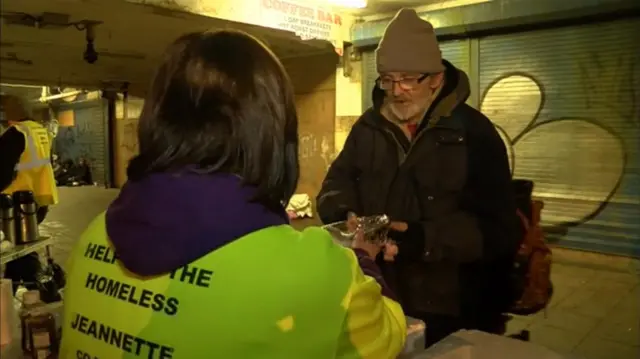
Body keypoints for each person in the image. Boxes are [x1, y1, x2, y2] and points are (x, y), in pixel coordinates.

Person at [59, 30, 407, 359]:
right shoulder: (315, 272)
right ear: (274, 134)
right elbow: (388, 335)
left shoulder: (94, 236)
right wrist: (363, 259)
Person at [317, 8, 522, 348]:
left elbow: (496, 231)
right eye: (387, 78)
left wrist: (421, 239)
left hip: (449, 304)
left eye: (409, 78)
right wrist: (344, 215)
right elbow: (334, 184)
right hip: (377, 291)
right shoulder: (367, 127)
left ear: (436, 78)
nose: (396, 91)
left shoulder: (474, 134)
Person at [1, 95, 58, 292]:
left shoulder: (15, 134)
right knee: (20, 252)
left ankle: (47, 293)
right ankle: (12, 291)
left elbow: (2, 173)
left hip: (15, 205)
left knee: (22, 254)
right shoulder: (40, 131)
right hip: (39, 200)